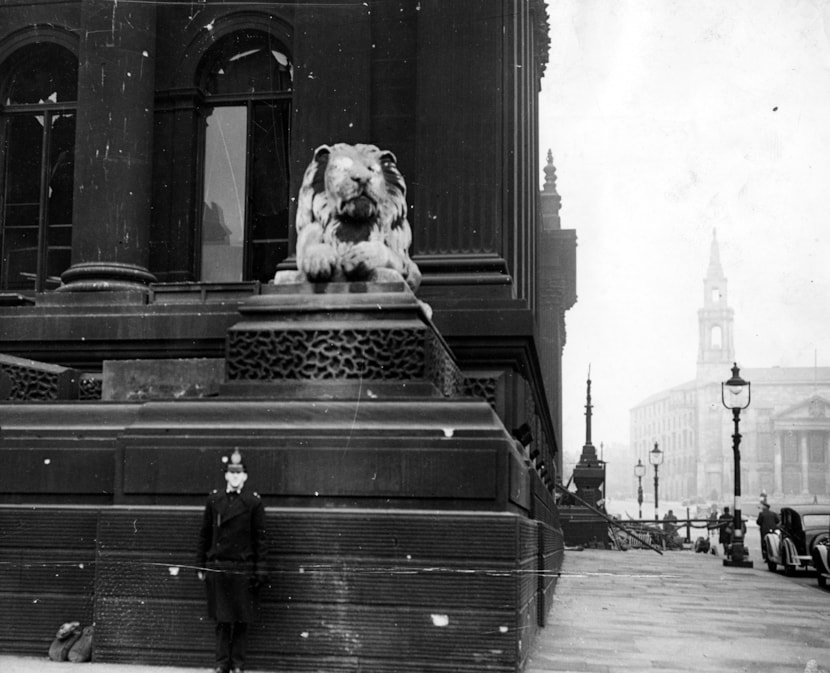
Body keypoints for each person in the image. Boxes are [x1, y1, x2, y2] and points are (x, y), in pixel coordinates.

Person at [197, 449, 269, 673]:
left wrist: (260, 570)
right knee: (221, 620)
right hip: (219, 567)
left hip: (242, 568)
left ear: (245, 477)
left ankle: (237, 664)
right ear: (226, 476)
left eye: (240, 473)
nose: (235, 477)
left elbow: (260, 539)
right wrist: (201, 564)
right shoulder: (214, 500)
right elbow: (205, 534)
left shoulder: (253, 503)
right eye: (232, 473)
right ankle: (221, 664)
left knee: (240, 620)